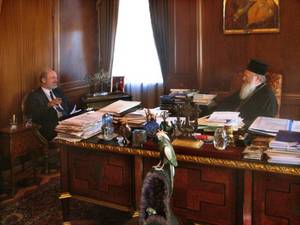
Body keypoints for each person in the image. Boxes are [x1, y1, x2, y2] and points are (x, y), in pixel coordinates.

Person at [217, 59, 277, 125]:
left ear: (257, 78)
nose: (243, 78)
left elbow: (264, 122)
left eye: (246, 76)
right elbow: (228, 102)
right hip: (230, 125)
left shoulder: (268, 97)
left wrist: (239, 123)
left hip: (246, 130)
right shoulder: (247, 88)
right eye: (244, 75)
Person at [26, 69, 70, 141]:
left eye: (56, 78)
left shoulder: (58, 91)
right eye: (53, 78)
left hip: (66, 122)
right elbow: (32, 115)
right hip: (50, 127)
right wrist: (48, 105)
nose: (56, 80)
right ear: (43, 80)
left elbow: (66, 105)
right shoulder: (34, 96)